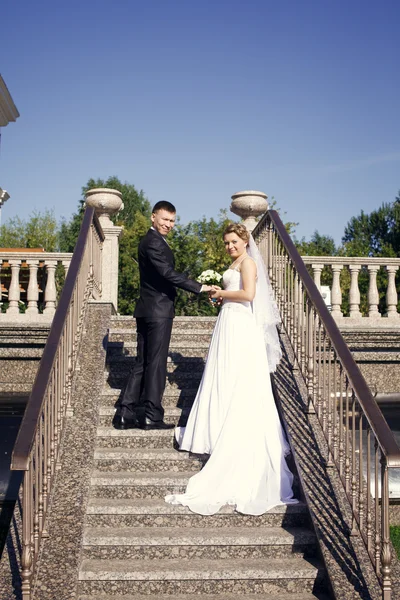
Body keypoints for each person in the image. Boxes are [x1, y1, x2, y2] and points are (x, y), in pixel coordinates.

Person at [165, 222, 297, 515]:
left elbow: (249, 295)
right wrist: (219, 294)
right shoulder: (234, 262)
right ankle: (216, 428)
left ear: (245, 240)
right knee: (222, 378)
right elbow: (234, 292)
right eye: (226, 242)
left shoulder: (248, 262)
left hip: (240, 325)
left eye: (234, 241)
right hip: (228, 322)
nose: (230, 246)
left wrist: (222, 293)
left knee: (238, 380)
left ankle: (233, 438)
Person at [114, 201, 214, 431]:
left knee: (143, 362)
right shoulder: (154, 242)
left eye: (172, 221)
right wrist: (199, 287)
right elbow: (167, 274)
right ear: (153, 217)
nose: (169, 224)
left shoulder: (150, 241)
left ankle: (125, 413)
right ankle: (151, 415)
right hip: (158, 311)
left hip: (147, 309)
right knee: (156, 364)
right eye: (165, 219)